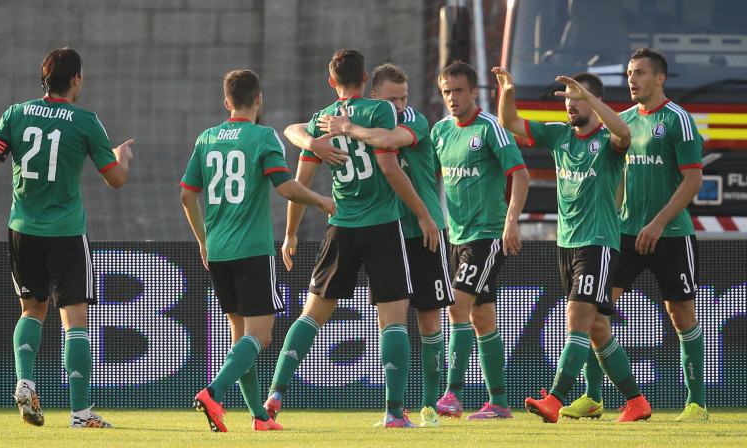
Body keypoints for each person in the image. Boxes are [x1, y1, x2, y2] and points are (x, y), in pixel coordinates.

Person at [264, 49, 439, 428]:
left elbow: (300, 182)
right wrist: (424, 214)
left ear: (332, 82)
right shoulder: (380, 112)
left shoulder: (322, 121)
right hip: (382, 226)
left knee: (312, 315)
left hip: (340, 225)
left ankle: (276, 392)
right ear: (366, 80)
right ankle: (394, 412)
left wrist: (291, 232)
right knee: (392, 320)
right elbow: (390, 167)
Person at [0, 47, 133, 428]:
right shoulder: (85, 121)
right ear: (76, 79)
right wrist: (122, 155)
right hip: (65, 233)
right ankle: (80, 414)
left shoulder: (15, 113)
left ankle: (26, 381)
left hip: (21, 230)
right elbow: (116, 180)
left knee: (31, 310)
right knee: (74, 322)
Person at [493, 66, 652, 423]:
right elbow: (510, 123)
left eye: (575, 99)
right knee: (597, 330)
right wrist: (508, 90)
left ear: (593, 103)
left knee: (576, 321)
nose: (569, 106)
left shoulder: (609, 142)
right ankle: (637, 402)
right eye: (566, 100)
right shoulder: (558, 136)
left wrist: (590, 97)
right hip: (567, 244)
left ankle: (555, 397)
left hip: (598, 243)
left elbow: (625, 131)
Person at [180, 70, 335, 433]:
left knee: (241, 336)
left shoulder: (207, 138)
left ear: (226, 102)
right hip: (251, 249)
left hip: (217, 250)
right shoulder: (264, 136)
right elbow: (285, 187)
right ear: (259, 99)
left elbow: (187, 194)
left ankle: (259, 417)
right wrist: (320, 199)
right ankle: (214, 392)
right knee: (261, 335)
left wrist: (203, 241)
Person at [568, 48, 707, 422]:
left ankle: (696, 403)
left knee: (680, 315)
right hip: (625, 235)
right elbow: (616, 178)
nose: (632, 79)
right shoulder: (622, 122)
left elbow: (694, 179)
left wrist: (659, 222)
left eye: (640, 73)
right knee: (594, 311)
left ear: (660, 79)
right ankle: (593, 397)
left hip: (671, 233)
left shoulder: (679, 120)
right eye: (629, 72)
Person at [430, 61, 529, 420]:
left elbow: (519, 174)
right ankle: (499, 402)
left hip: (487, 235)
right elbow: (428, 177)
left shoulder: (491, 128)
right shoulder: (440, 132)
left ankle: (452, 395)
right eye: (446, 92)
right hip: (455, 237)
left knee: (456, 306)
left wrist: (512, 222)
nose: (452, 98)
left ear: (474, 91)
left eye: (458, 90)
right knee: (481, 318)